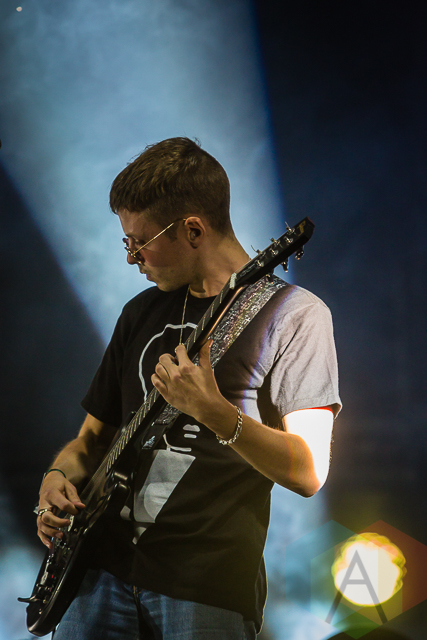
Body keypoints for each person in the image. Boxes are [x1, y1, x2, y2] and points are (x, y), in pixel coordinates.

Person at [36, 137, 341, 639]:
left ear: (193, 230)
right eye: (127, 243)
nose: (132, 257)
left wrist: (214, 411)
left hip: (205, 587)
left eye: (139, 241)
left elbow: (309, 471)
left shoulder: (295, 316)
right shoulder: (140, 311)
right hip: (96, 572)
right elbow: (89, 442)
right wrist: (55, 479)